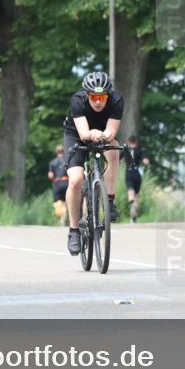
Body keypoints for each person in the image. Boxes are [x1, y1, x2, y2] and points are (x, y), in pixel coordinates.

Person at [63, 71, 124, 255]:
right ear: (87, 95)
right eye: (94, 97)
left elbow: (111, 131)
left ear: (108, 96)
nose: (98, 101)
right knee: (75, 180)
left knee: (114, 153)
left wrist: (106, 135)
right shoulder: (77, 100)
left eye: (102, 97)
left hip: (103, 133)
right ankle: (74, 230)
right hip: (77, 135)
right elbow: (83, 134)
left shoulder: (117, 101)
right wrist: (92, 134)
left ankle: (110, 200)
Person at [124, 135, 150, 223]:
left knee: (130, 193)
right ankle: (134, 216)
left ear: (128, 141)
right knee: (137, 195)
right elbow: (146, 161)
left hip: (129, 173)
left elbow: (118, 160)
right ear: (136, 142)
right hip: (137, 173)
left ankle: (132, 203)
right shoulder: (140, 150)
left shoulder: (125, 150)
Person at [48, 144, 69, 226]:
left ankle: (61, 217)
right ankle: (63, 219)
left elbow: (50, 175)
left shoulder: (52, 162)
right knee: (66, 203)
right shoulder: (67, 161)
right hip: (66, 182)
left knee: (59, 202)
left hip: (57, 183)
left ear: (56, 152)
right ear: (63, 152)